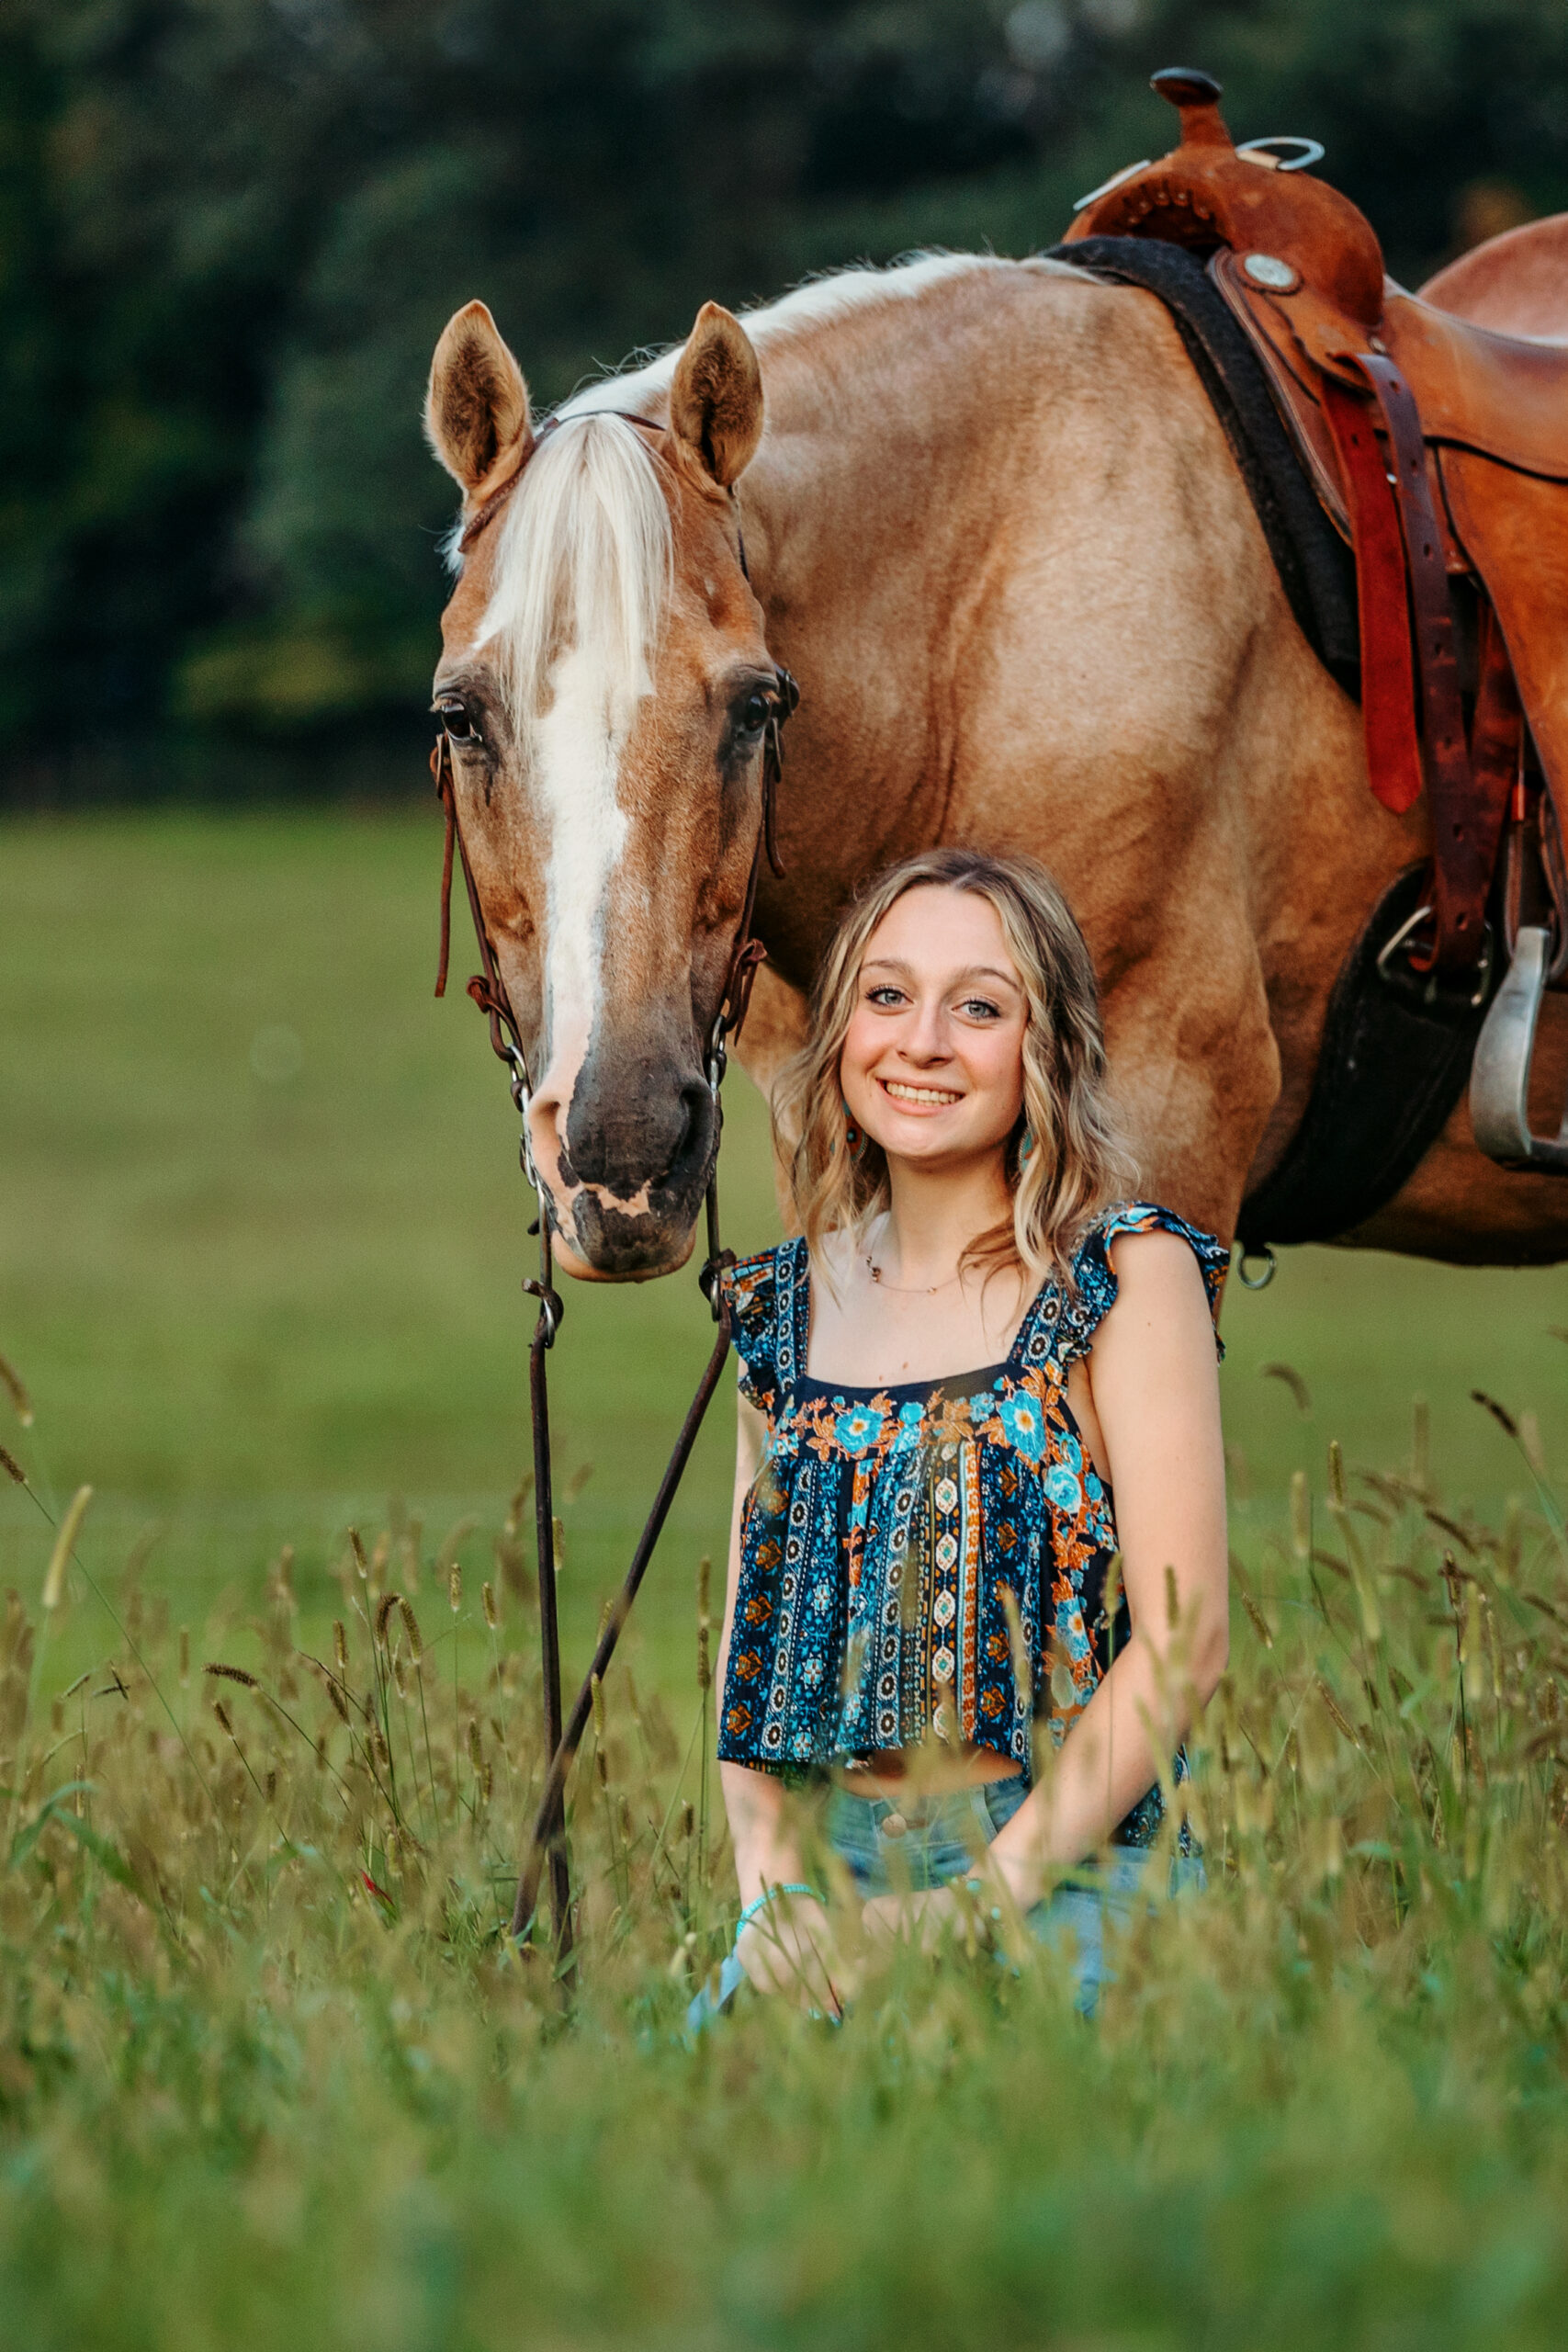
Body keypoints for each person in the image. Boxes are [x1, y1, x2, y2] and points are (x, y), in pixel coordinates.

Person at [693, 847, 1229, 2027]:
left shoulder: (1119, 1280)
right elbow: (750, 1672)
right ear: (839, 1030)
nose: (922, 1041)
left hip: (1071, 1869)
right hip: (829, 1878)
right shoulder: (779, 1310)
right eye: (886, 995)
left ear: (1047, 1048)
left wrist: (970, 1908)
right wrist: (776, 1905)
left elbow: (1186, 1646)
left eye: (978, 1006)